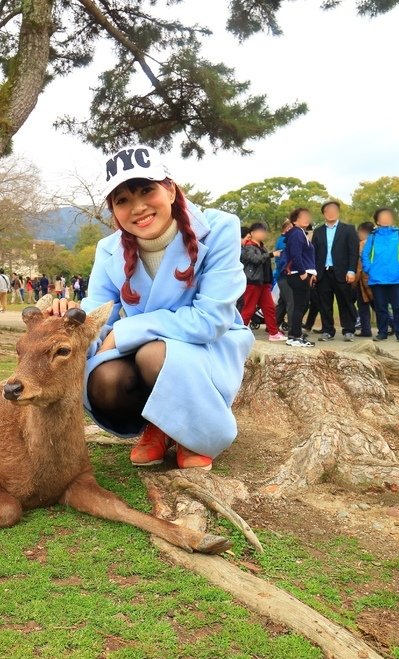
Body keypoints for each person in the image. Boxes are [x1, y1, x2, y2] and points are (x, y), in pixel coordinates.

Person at [47, 144, 254, 471]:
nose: (138, 207)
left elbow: (210, 320)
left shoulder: (220, 229)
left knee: (153, 354)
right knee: (103, 379)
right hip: (145, 349)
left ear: (170, 189)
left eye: (147, 190)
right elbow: (99, 318)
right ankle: (156, 423)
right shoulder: (108, 250)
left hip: (210, 345)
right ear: (113, 210)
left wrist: (127, 330)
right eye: (123, 200)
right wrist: (64, 324)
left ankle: (194, 432)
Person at [362, 208, 399, 342]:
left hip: (396, 278)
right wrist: (369, 269)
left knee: (398, 307)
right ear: (377, 221)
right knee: (380, 307)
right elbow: (365, 255)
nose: (385, 219)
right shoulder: (373, 236)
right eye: (382, 217)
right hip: (377, 279)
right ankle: (382, 332)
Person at [310, 201, 359, 341]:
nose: (331, 213)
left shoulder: (348, 229)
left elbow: (353, 252)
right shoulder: (318, 231)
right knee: (325, 303)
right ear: (324, 214)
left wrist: (351, 270)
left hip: (342, 272)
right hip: (323, 272)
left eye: (333, 210)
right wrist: (313, 272)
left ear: (338, 212)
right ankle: (328, 330)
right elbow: (314, 253)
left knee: (345, 302)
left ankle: (349, 330)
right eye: (327, 210)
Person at [239, 222, 287, 341]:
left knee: (269, 308)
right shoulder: (249, 246)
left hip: (264, 283)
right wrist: (271, 254)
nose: (263, 233)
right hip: (253, 282)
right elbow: (255, 259)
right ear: (253, 233)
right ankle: (238, 332)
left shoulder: (262, 246)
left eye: (264, 231)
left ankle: (273, 333)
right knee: (248, 309)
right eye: (260, 231)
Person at [283, 208, 317, 348]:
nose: (306, 218)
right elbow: (295, 254)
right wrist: (303, 272)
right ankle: (295, 336)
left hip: (303, 272)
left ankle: (294, 335)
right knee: (300, 305)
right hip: (299, 274)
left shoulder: (301, 233)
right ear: (295, 220)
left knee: (302, 304)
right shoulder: (296, 233)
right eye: (303, 216)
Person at [354, 222, 376, 337]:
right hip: (375, 279)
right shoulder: (376, 243)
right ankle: (394, 325)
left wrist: (354, 279)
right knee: (376, 304)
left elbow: (359, 265)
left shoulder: (362, 245)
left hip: (363, 280)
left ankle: (366, 330)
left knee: (364, 305)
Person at [273, 219, 293, 332]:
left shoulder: (283, 240)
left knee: (283, 302)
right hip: (285, 275)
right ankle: (292, 329)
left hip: (282, 275)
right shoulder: (284, 241)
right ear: (286, 229)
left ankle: (274, 325)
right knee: (291, 302)